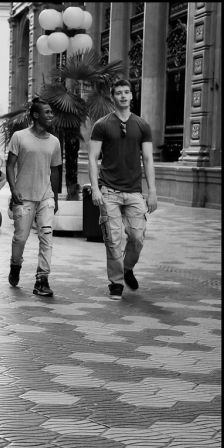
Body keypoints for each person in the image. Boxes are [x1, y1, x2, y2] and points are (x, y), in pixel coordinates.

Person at [88, 79, 157, 300]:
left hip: (135, 192)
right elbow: (92, 158)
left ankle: (127, 268)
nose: (124, 96)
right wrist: (96, 189)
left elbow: (148, 158)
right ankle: (116, 283)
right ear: (113, 97)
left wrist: (152, 191)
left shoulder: (142, 125)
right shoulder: (102, 125)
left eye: (127, 92)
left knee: (137, 238)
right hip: (109, 192)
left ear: (132, 96)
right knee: (113, 240)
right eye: (119, 93)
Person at [6, 97, 61, 297]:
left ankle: (42, 279)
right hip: (23, 197)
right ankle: (15, 265)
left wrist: (54, 197)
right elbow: (10, 165)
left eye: (51, 112)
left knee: (46, 236)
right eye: (47, 113)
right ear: (36, 115)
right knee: (20, 238)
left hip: (45, 196)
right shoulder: (19, 137)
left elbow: (55, 170)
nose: (51, 116)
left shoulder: (54, 142)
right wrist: (13, 190)